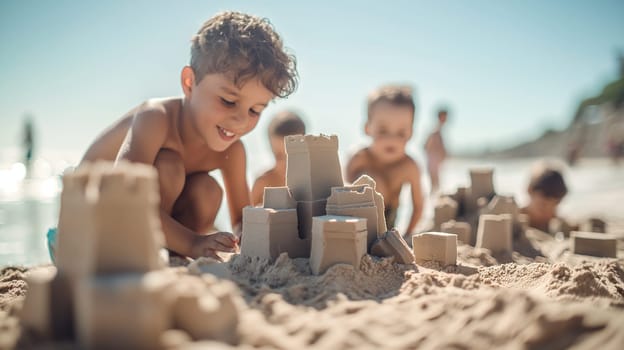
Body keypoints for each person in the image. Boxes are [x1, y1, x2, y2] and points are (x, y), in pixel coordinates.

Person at [76, 11, 298, 260]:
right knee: (168, 166)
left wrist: (253, 235)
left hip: (148, 229)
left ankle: (172, 254)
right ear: (189, 82)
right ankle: (171, 247)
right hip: (86, 224)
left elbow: (240, 220)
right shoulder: (155, 118)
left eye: (255, 110)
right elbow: (123, 193)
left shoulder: (232, 150)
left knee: (208, 191)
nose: (241, 120)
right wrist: (193, 242)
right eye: (228, 101)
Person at [346, 85, 423, 236]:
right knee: (370, 178)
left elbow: (418, 206)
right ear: (367, 128)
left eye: (401, 133)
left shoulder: (409, 166)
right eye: (383, 131)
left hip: (388, 221)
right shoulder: (359, 158)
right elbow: (340, 195)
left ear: (412, 132)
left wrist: (407, 235)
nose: (391, 139)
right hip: (355, 219)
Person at [251, 110, 306, 206]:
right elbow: (247, 218)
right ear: (271, 148)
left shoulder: (311, 183)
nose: (286, 163)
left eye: (292, 155)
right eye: (279, 156)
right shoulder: (262, 184)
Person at [520, 162, 570, 232]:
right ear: (529, 190)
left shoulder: (558, 223)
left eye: (554, 207)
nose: (548, 213)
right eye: (542, 206)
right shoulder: (514, 218)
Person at [424, 108, 448, 193]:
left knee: (435, 186)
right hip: (433, 161)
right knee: (435, 186)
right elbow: (426, 146)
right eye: (445, 117)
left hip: (435, 162)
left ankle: (432, 203)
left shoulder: (438, 130)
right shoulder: (435, 131)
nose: (446, 119)